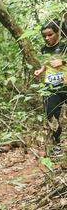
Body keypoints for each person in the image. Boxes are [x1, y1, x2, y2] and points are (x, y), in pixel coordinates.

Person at [34, 19, 67, 158]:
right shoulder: (44, 49)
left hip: (65, 85)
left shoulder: (65, 45)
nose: (47, 38)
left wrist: (63, 61)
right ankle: (57, 146)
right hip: (50, 87)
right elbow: (46, 63)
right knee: (51, 115)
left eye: (50, 34)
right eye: (44, 36)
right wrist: (41, 70)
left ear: (58, 32)